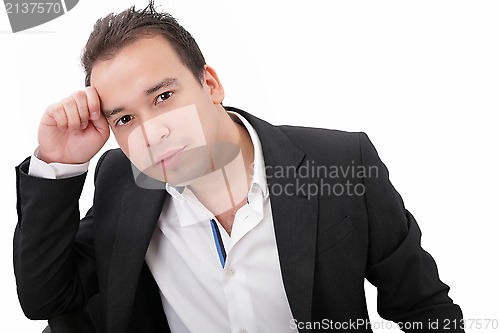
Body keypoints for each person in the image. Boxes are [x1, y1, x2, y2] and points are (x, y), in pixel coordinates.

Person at [14, 2, 464, 332]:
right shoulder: (120, 180)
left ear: (210, 84)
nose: (152, 133)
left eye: (164, 96)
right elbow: (48, 300)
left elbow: (425, 309)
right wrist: (59, 162)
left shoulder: (340, 163)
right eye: (125, 118)